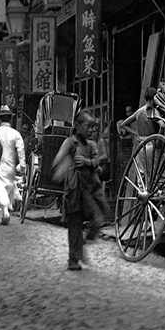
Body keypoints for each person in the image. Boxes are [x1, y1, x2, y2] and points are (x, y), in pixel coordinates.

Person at [52, 110, 111, 271]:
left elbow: (97, 161)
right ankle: (74, 259)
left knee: (99, 218)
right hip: (75, 190)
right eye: (87, 126)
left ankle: (85, 240)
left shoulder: (91, 145)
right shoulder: (71, 143)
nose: (91, 130)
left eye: (93, 127)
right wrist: (66, 163)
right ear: (77, 126)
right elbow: (58, 159)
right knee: (75, 225)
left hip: (92, 189)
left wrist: (87, 162)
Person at [0, 105, 26, 225]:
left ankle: (5, 211)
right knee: (8, 187)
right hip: (11, 166)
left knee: (0, 187)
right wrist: (22, 165)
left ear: (0, 119)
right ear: (10, 119)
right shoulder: (16, 134)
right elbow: (21, 151)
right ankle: (5, 211)